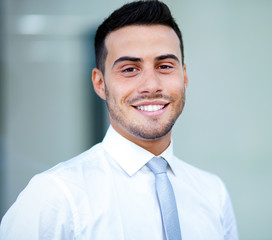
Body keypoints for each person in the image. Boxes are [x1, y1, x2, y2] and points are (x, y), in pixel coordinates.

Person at [0, 1, 238, 239]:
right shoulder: (56, 197)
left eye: (164, 66)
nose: (151, 85)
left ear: (184, 76)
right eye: (129, 69)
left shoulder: (213, 193)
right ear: (100, 84)